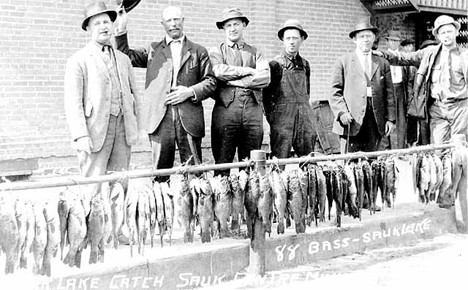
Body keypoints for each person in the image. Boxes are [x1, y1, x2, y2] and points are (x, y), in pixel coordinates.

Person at [114, 6, 217, 182]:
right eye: (169, 20)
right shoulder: (153, 50)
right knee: (160, 175)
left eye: (177, 19)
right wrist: (121, 27)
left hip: (189, 121)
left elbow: (211, 82)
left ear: (183, 21)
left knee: (194, 175)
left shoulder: (199, 51)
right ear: (162, 24)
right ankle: (163, 208)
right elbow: (124, 55)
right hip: (160, 120)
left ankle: (195, 209)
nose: (173, 24)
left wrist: (189, 91)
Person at [64, 1, 142, 199]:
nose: (103, 27)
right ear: (88, 29)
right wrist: (80, 135)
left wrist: (135, 126)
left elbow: (134, 95)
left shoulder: (123, 59)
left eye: (106, 22)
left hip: (122, 130)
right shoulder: (78, 60)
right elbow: (73, 103)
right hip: (95, 130)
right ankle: (93, 229)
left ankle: (117, 229)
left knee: (120, 183)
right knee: (93, 186)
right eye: (97, 23)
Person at [375, 15, 467, 146]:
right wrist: (384, 54)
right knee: (438, 149)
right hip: (438, 108)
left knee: (460, 149)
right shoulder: (430, 53)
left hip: (460, 109)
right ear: (438, 36)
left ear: (456, 32)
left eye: (449, 31)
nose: (446, 35)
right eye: (443, 32)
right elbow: (404, 58)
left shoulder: (465, 56)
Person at [209, 8, 270, 176]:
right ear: (223, 28)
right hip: (226, 110)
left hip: (253, 110)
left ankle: (250, 201)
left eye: (236, 24)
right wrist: (249, 71)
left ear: (244, 25)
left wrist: (233, 80)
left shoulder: (256, 52)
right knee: (222, 162)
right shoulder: (217, 51)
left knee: (252, 164)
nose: (232, 28)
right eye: (228, 25)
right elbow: (219, 71)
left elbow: (265, 77)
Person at [329, 19, 396, 153]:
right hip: (351, 119)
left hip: (375, 119)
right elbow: (334, 91)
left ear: (374, 38)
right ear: (354, 39)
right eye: (361, 37)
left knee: (372, 161)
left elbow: (389, 94)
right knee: (349, 163)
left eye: (369, 36)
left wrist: (390, 119)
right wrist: (342, 112)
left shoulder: (382, 63)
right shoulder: (344, 62)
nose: (365, 40)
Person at [263, 19, 316, 161]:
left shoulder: (305, 65)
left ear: (302, 39)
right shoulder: (275, 65)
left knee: (308, 162)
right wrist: (274, 119)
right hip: (282, 121)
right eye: (288, 38)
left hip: (304, 118)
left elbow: (307, 92)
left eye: (295, 38)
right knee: (279, 163)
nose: (291, 42)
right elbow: (266, 98)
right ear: (283, 40)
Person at [385, 31, 407, 149]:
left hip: (400, 89)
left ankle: (401, 149)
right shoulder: (383, 57)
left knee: (401, 121)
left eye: (396, 41)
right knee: (389, 119)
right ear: (387, 41)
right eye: (391, 41)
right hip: (388, 90)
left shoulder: (403, 57)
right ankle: (389, 149)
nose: (394, 43)